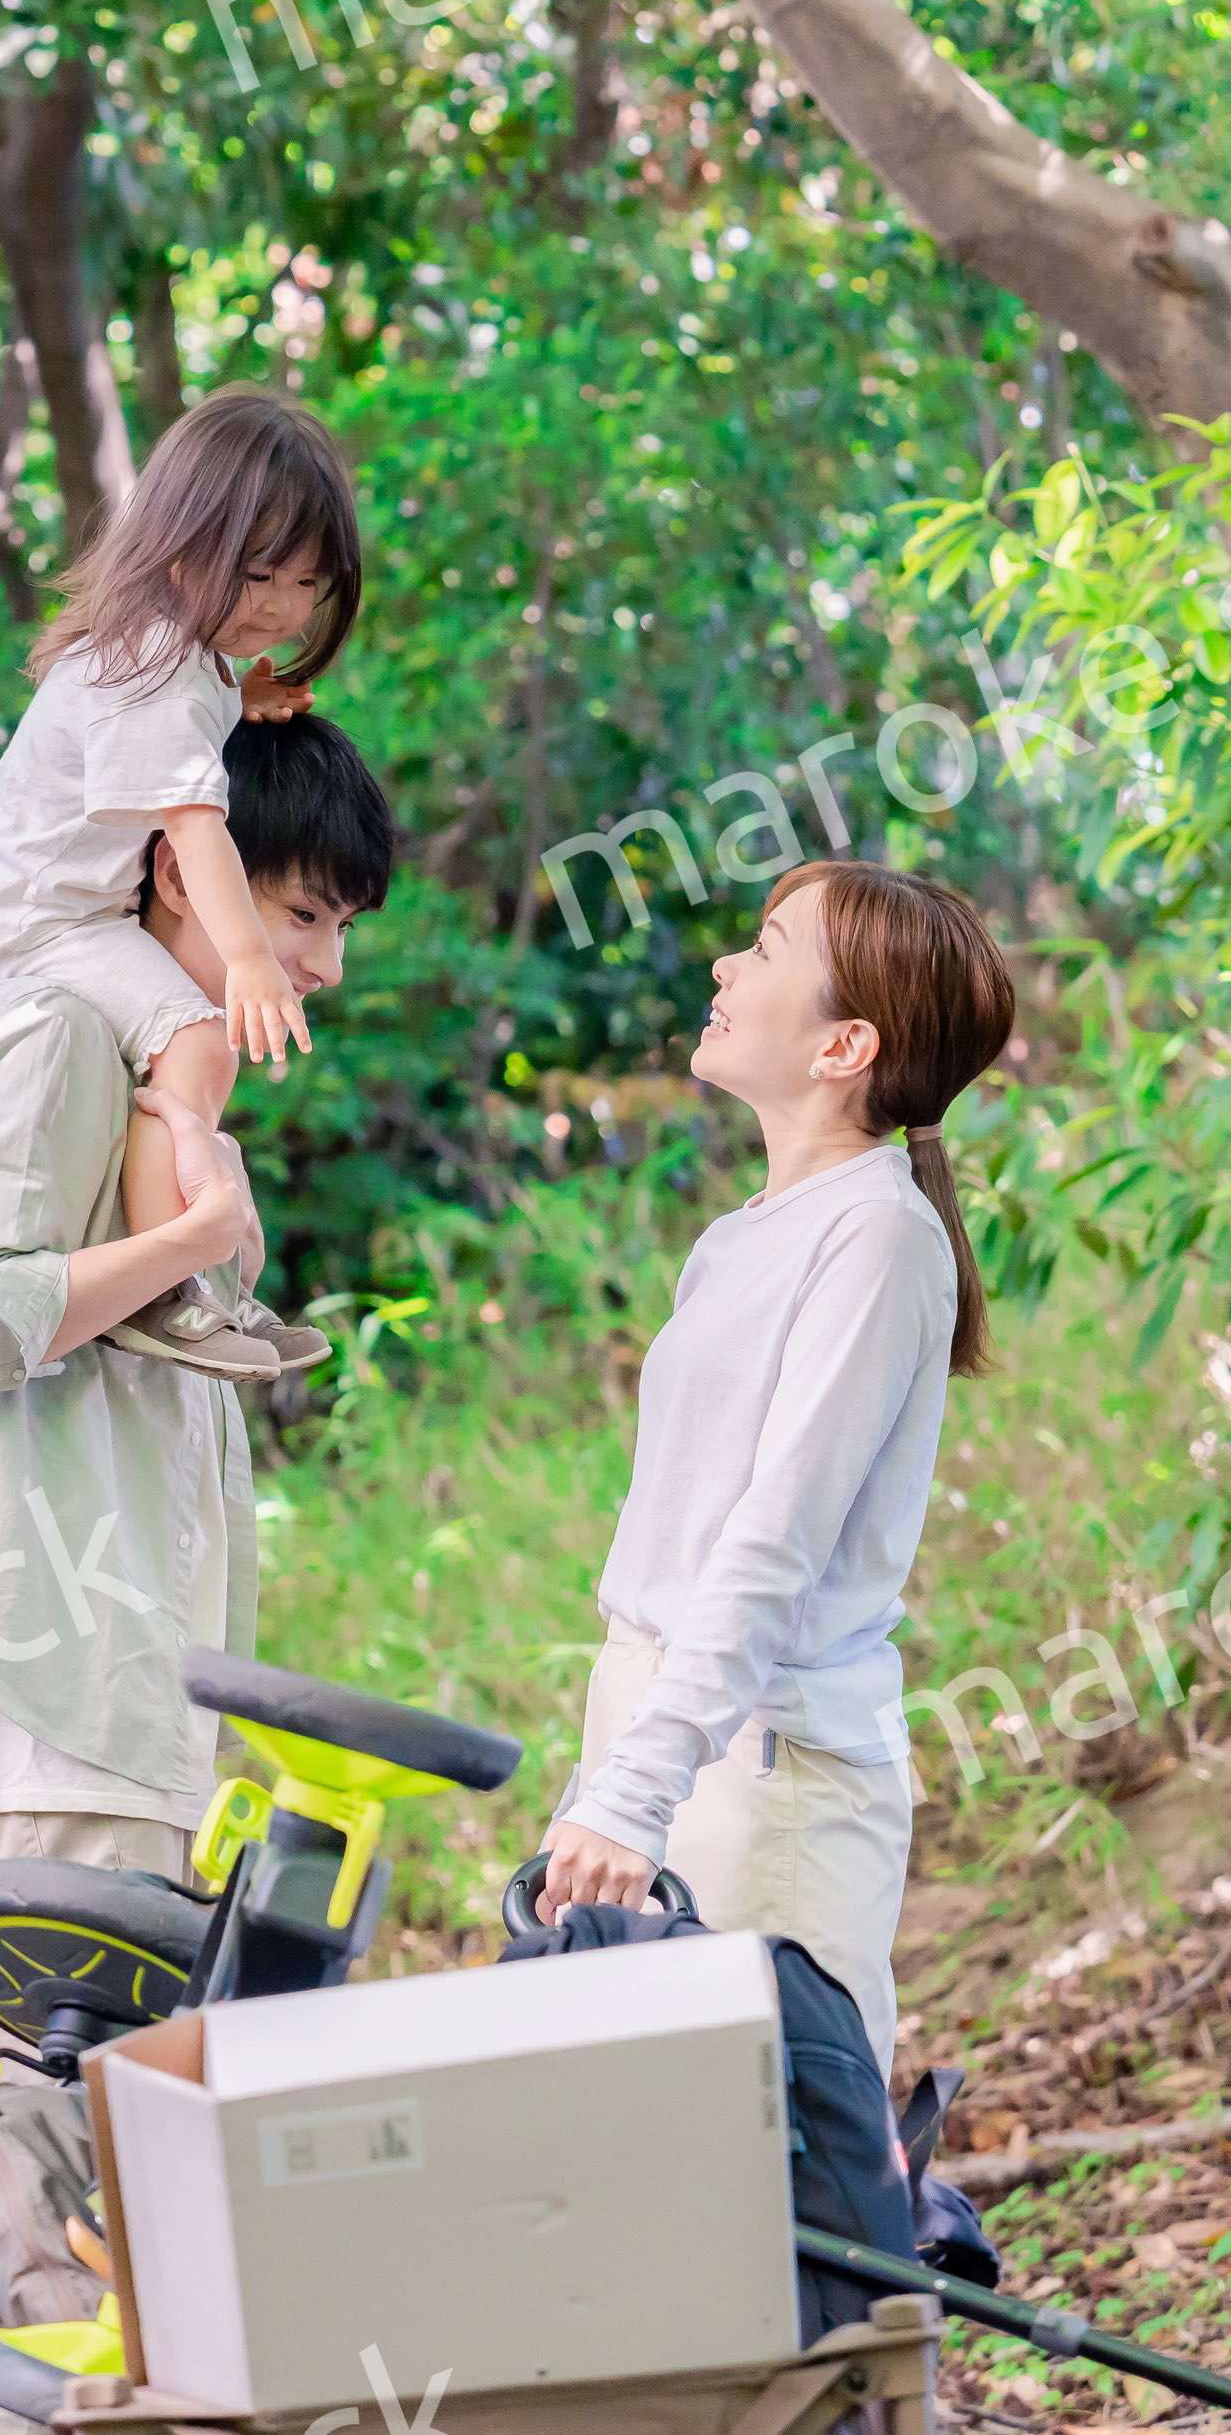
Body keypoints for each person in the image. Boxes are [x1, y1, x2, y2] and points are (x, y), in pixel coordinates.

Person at [0, 710, 399, 2083]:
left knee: (95, 2193)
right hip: (39, 1704)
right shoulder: (57, 1031)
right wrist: (187, 1243)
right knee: (64, 2181)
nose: (320, 964)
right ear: (178, 866)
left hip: (115, 1702)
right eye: (298, 913)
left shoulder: (157, 1055)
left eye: (339, 928)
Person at [533, 862, 1019, 2068]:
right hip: (668, 1726)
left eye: (764, 948)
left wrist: (635, 1790)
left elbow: (775, 1541)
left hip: (770, 1775)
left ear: (844, 1044)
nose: (722, 968)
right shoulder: (741, 1238)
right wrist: (613, 1776)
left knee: (785, 2187)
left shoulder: (880, 1237)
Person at [0, 385, 365, 1381]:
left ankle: (188, 1279)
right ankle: (167, 1292)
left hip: (66, 918)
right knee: (198, 1037)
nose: (280, 606)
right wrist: (249, 959)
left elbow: (195, 731)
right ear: (181, 544)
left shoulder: (182, 657)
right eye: (258, 573)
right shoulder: (149, 669)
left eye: (307, 584)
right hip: (38, 929)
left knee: (184, 1047)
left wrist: (245, 693)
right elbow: (195, 824)